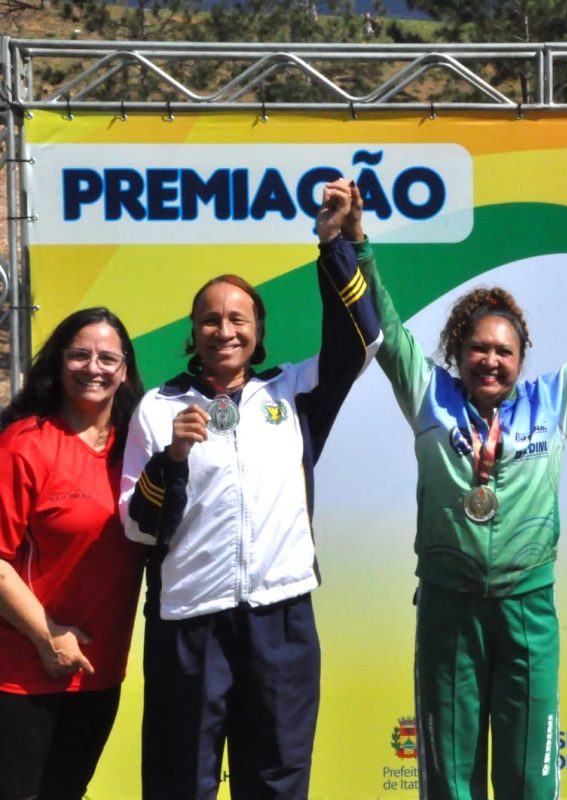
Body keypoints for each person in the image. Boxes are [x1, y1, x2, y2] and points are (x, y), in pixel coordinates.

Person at [317, 178, 567, 799]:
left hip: (528, 611)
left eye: (504, 351)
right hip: (449, 610)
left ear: (522, 357)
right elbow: (386, 325)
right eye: (478, 349)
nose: (491, 361)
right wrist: (358, 241)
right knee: (451, 780)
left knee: (531, 778)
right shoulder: (429, 395)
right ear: (457, 351)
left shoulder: (555, 400)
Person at [119, 181, 381, 800]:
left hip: (281, 619)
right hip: (190, 624)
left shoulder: (293, 392)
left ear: (257, 330)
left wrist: (336, 245)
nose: (224, 330)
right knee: (181, 781)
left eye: (238, 318)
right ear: (194, 331)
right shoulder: (158, 409)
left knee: (277, 779)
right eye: (210, 319)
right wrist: (173, 458)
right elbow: (136, 524)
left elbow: (362, 339)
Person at [0, 307, 145, 800]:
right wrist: (47, 637)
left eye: (108, 357)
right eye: (80, 354)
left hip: (99, 674)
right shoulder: (24, 445)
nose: (93, 367)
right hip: (23, 673)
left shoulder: (138, 451)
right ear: (59, 363)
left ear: (124, 369)